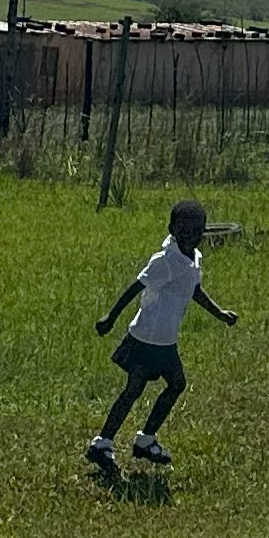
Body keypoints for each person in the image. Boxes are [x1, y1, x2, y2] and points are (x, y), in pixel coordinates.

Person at [87, 199, 237, 476]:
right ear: (171, 229)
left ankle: (145, 439)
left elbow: (194, 290)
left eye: (195, 232)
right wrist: (111, 316)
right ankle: (102, 443)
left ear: (203, 233)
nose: (189, 237)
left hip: (166, 340)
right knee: (134, 390)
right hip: (146, 337)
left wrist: (220, 313)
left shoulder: (193, 260)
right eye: (182, 231)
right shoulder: (165, 260)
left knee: (177, 384)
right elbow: (136, 286)